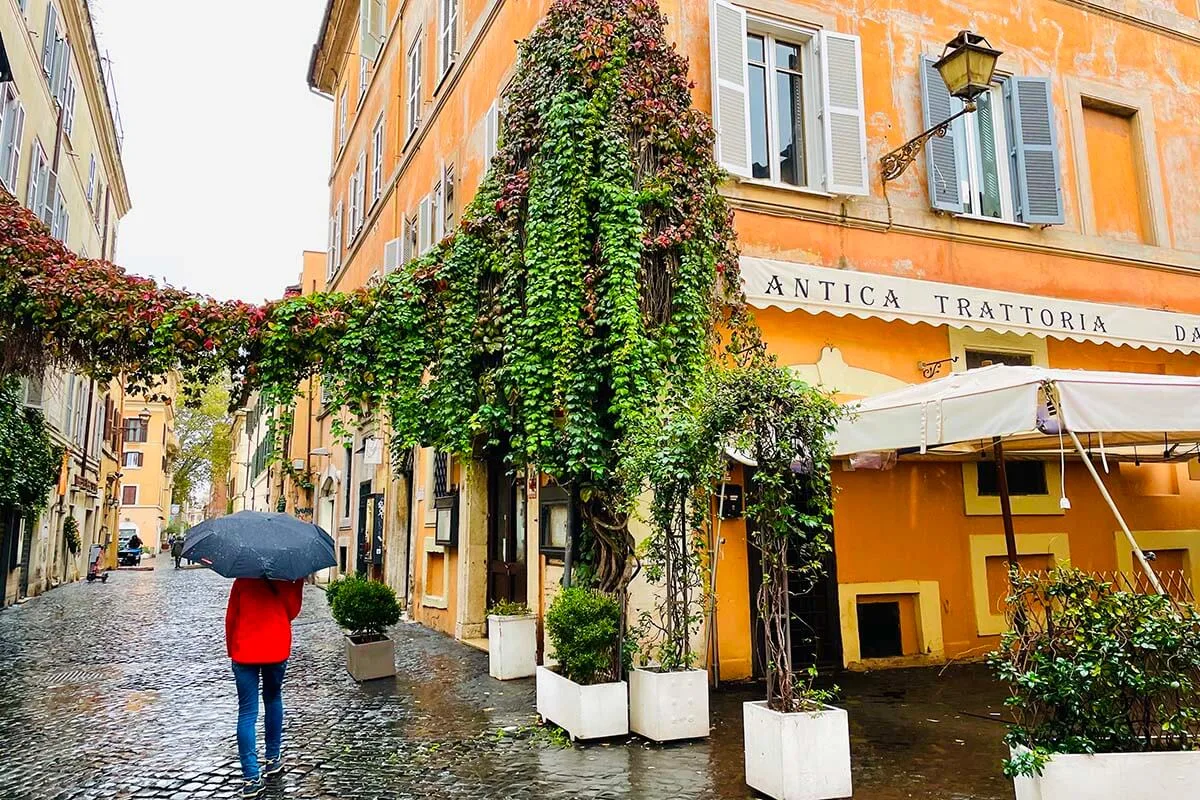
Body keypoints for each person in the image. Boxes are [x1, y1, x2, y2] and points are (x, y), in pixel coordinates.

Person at [225, 577, 304, 798]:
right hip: (276, 648)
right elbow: (292, 612)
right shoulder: (288, 578)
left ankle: (251, 777)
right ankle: (272, 758)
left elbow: (231, 616)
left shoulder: (243, 579)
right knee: (273, 699)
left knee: (247, 712)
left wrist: (232, 649)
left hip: (244, 651)